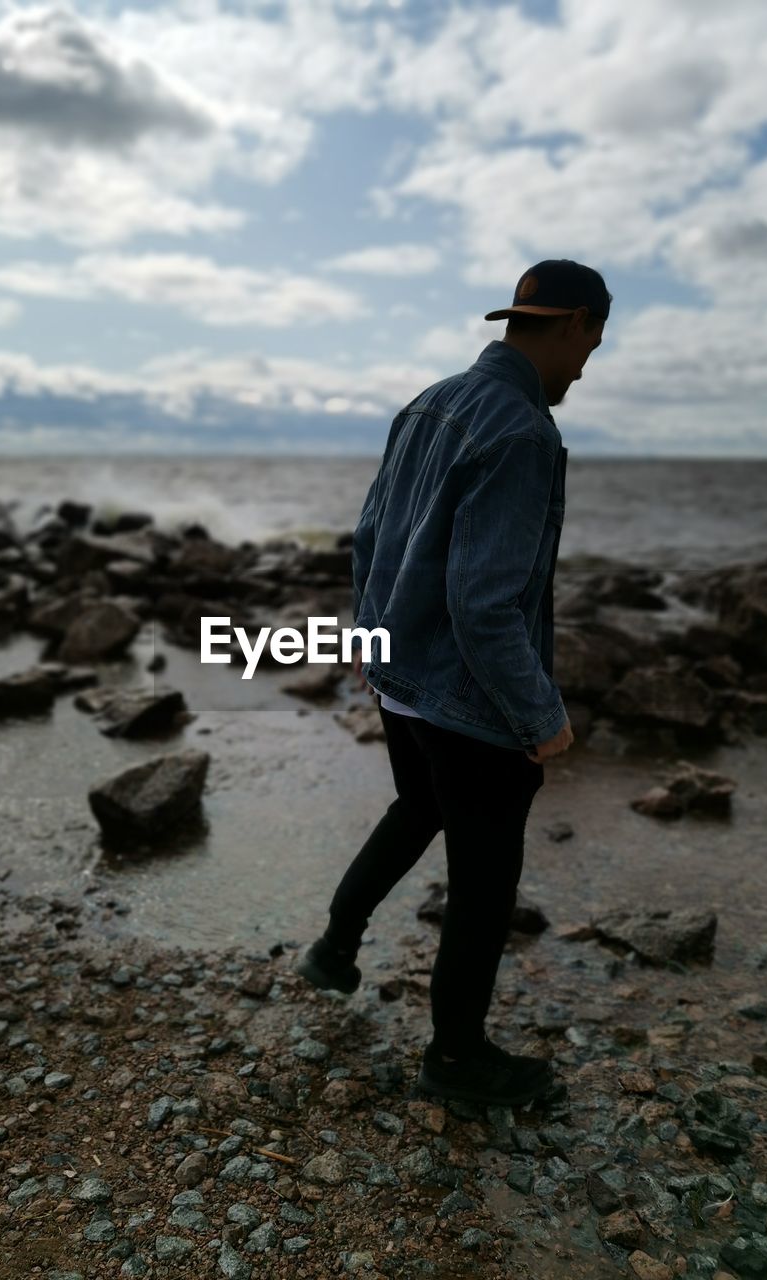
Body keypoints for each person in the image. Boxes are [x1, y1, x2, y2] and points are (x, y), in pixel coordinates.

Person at [296, 259, 611, 1107]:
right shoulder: (520, 432)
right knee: (482, 886)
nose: (586, 367)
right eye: (593, 345)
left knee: (417, 807)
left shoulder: (427, 403)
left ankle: (334, 946)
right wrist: (543, 717)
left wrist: (370, 639)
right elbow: (483, 604)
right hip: (467, 697)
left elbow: (366, 538)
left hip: (403, 678)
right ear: (575, 323)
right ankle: (457, 1061)